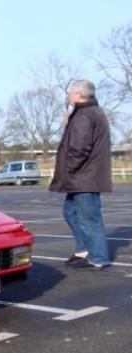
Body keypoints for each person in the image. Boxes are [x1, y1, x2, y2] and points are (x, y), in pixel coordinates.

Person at [49, 79, 112, 270]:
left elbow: (80, 148)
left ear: (78, 95)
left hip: (84, 178)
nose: (68, 95)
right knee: (71, 212)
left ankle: (98, 257)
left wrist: (68, 168)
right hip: (83, 178)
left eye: (70, 92)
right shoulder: (92, 112)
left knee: (89, 218)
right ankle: (84, 249)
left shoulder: (84, 115)